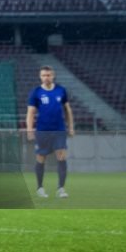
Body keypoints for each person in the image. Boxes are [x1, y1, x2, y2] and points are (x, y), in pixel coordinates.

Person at [26, 65, 74, 199]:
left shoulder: (61, 90)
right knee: (41, 158)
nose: (46, 78)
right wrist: (30, 129)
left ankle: (61, 188)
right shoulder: (36, 92)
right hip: (42, 131)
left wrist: (71, 127)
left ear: (53, 76)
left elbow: (67, 110)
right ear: (40, 77)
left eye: (48, 75)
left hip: (59, 130)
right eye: (43, 75)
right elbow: (30, 112)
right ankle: (40, 188)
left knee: (62, 157)